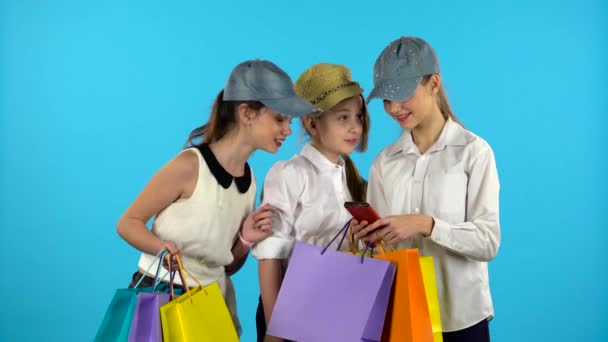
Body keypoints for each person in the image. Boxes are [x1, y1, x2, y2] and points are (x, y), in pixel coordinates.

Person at [116, 59, 317, 336]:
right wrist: (160, 246)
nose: (287, 130)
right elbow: (128, 222)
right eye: (280, 119)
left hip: (210, 302)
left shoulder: (248, 181)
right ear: (246, 113)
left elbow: (227, 266)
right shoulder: (190, 165)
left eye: (290, 122)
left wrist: (245, 240)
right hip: (164, 297)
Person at [354, 36, 500, 342]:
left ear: (434, 83)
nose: (394, 108)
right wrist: (368, 236)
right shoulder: (385, 162)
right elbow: (381, 250)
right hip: (403, 317)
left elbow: (488, 242)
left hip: (462, 319)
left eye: (402, 94)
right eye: (386, 99)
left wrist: (426, 225)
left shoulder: (474, 153)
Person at [253, 63, 370, 342]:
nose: (355, 126)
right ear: (312, 123)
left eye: (358, 116)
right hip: (290, 309)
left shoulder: (352, 180)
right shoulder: (290, 174)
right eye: (343, 117)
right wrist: (275, 331)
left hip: (337, 308)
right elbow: (270, 255)